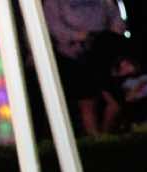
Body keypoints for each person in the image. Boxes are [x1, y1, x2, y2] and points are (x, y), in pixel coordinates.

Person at [43, 0, 126, 135]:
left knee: (114, 100)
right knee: (87, 100)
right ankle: (94, 136)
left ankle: (106, 135)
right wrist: (81, 36)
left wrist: (110, 36)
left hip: (103, 54)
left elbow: (117, 20)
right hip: (73, 57)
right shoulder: (54, 3)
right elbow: (55, 27)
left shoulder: (104, 2)